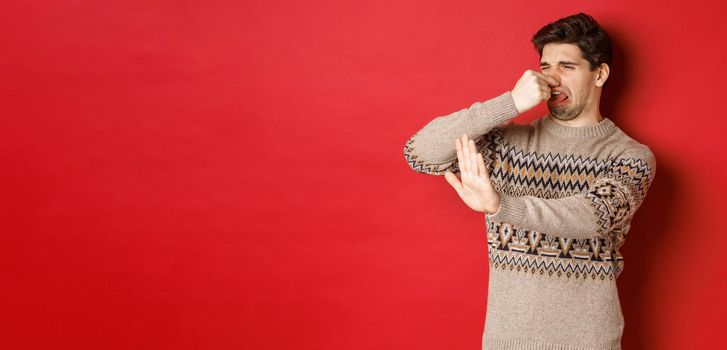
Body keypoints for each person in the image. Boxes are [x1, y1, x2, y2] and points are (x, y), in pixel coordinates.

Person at [403, 12, 656, 349]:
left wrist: (500, 206)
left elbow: (592, 216)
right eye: (546, 67)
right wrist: (509, 103)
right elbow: (419, 153)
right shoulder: (507, 145)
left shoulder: (631, 157)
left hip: (589, 341)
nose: (552, 80)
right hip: (507, 339)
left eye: (566, 67)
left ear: (600, 74)